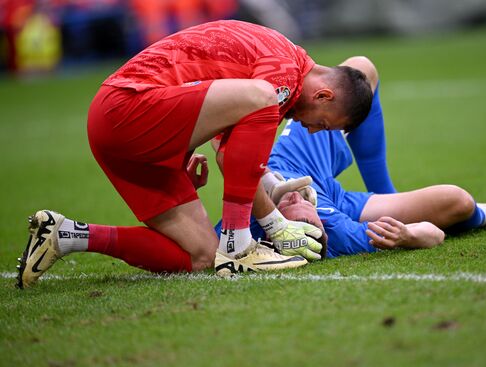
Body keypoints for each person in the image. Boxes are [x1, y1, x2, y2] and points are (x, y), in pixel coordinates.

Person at [16, 20, 374, 289]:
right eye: (323, 125)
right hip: (125, 107)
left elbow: (229, 148)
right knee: (263, 96)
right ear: (324, 96)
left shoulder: (282, 70)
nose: (313, 131)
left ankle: (64, 234)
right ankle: (239, 247)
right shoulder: (282, 79)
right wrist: (275, 225)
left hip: (129, 129)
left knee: (200, 256)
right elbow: (230, 153)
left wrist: (181, 151)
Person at [244, 56, 486, 256]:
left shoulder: (250, 220)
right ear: (321, 229)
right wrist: (407, 236)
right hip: (333, 196)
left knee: (361, 68)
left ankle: (382, 191)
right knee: (457, 201)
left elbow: (203, 251)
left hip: (294, 157)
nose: (296, 197)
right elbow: (432, 234)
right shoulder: (338, 231)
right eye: (305, 218)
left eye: (289, 207)